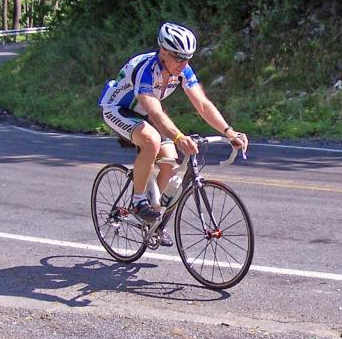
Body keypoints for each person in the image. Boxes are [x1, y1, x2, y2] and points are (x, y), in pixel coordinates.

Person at [99, 22, 248, 247]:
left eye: (188, 58)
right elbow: (155, 112)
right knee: (151, 140)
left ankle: (154, 222)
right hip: (117, 109)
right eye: (178, 58)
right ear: (163, 52)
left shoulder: (183, 70)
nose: (183, 64)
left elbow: (203, 105)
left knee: (170, 163)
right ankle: (138, 200)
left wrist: (229, 131)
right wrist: (179, 137)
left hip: (144, 114)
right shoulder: (146, 70)